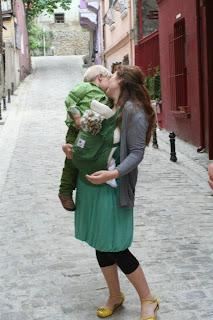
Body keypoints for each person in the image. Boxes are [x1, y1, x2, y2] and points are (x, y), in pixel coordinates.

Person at [74, 65, 159, 320]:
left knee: (117, 246)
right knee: (102, 243)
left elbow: (136, 153)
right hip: (93, 184)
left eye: (111, 75)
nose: (107, 79)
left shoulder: (132, 110)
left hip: (113, 186)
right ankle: (115, 295)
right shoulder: (109, 106)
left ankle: (148, 299)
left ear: (120, 80)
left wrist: (112, 174)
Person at [58, 65, 112, 211]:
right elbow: (70, 99)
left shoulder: (106, 96)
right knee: (71, 161)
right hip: (76, 130)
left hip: (91, 134)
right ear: (100, 77)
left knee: (86, 159)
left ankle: (84, 187)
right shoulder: (85, 87)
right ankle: (65, 191)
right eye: (109, 79)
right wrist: (76, 116)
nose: (110, 83)